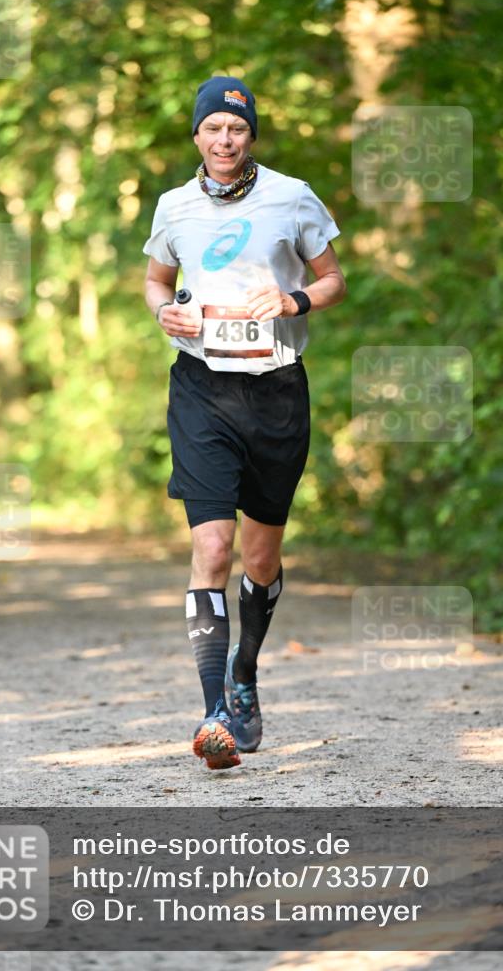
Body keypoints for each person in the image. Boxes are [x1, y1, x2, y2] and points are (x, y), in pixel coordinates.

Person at [143, 75, 346, 770]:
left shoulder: (292, 196)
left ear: (249, 135)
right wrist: (164, 311)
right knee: (213, 548)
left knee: (259, 559)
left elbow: (333, 279)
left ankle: (245, 673)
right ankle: (214, 717)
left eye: (235, 128)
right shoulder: (174, 206)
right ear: (196, 136)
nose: (224, 140)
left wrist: (294, 302)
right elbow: (155, 280)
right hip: (200, 389)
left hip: (277, 393)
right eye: (212, 129)